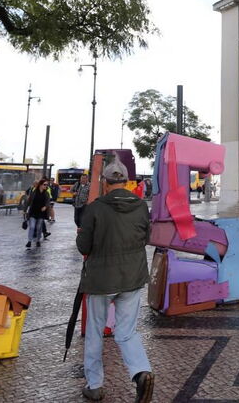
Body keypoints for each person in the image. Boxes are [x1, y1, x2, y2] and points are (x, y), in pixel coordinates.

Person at [76, 160, 153, 402]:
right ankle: (141, 372)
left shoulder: (96, 208)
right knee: (127, 331)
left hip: (101, 280)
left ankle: (95, 385)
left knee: (95, 332)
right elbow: (145, 238)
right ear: (127, 182)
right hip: (132, 277)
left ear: (105, 183)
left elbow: (83, 246)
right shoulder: (141, 206)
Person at [25, 179, 50, 248]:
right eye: (45, 184)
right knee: (32, 227)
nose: (46, 186)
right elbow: (29, 201)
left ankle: (37, 240)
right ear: (40, 185)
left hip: (41, 213)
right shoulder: (34, 192)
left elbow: (48, 201)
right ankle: (29, 241)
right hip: (33, 212)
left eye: (47, 185)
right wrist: (25, 210)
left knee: (39, 227)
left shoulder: (46, 193)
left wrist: (45, 206)